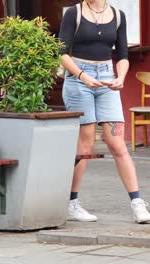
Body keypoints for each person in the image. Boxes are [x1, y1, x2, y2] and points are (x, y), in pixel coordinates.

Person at [59, 0, 150, 223]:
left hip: (108, 78)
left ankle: (137, 203)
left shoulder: (118, 15)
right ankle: (71, 202)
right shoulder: (74, 13)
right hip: (79, 79)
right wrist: (82, 76)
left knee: (117, 143)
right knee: (86, 142)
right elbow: (61, 52)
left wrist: (120, 77)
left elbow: (122, 56)